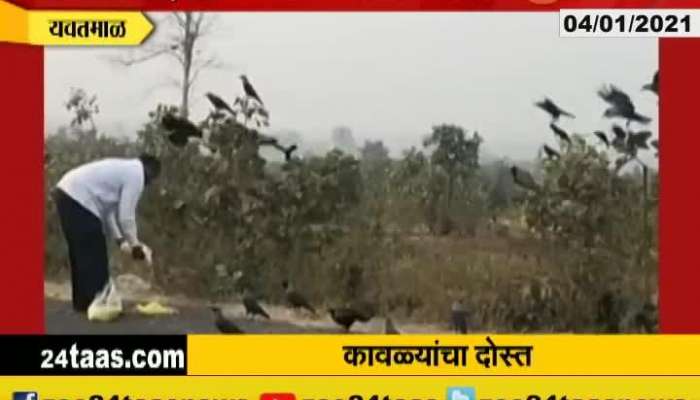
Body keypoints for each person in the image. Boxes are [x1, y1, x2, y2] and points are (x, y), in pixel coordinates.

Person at [52, 154, 161, 312]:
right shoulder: (137, 174)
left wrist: (120, 240)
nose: (149, 184)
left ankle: (83, 303)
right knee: (94, 251)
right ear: (150, 171)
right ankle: (101, 304)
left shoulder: (124, 170)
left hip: (65, 193)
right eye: (152, 179)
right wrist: (135, 245)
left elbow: (107, 212)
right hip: (77, 196)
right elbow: (126, 216)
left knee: (80, 251)